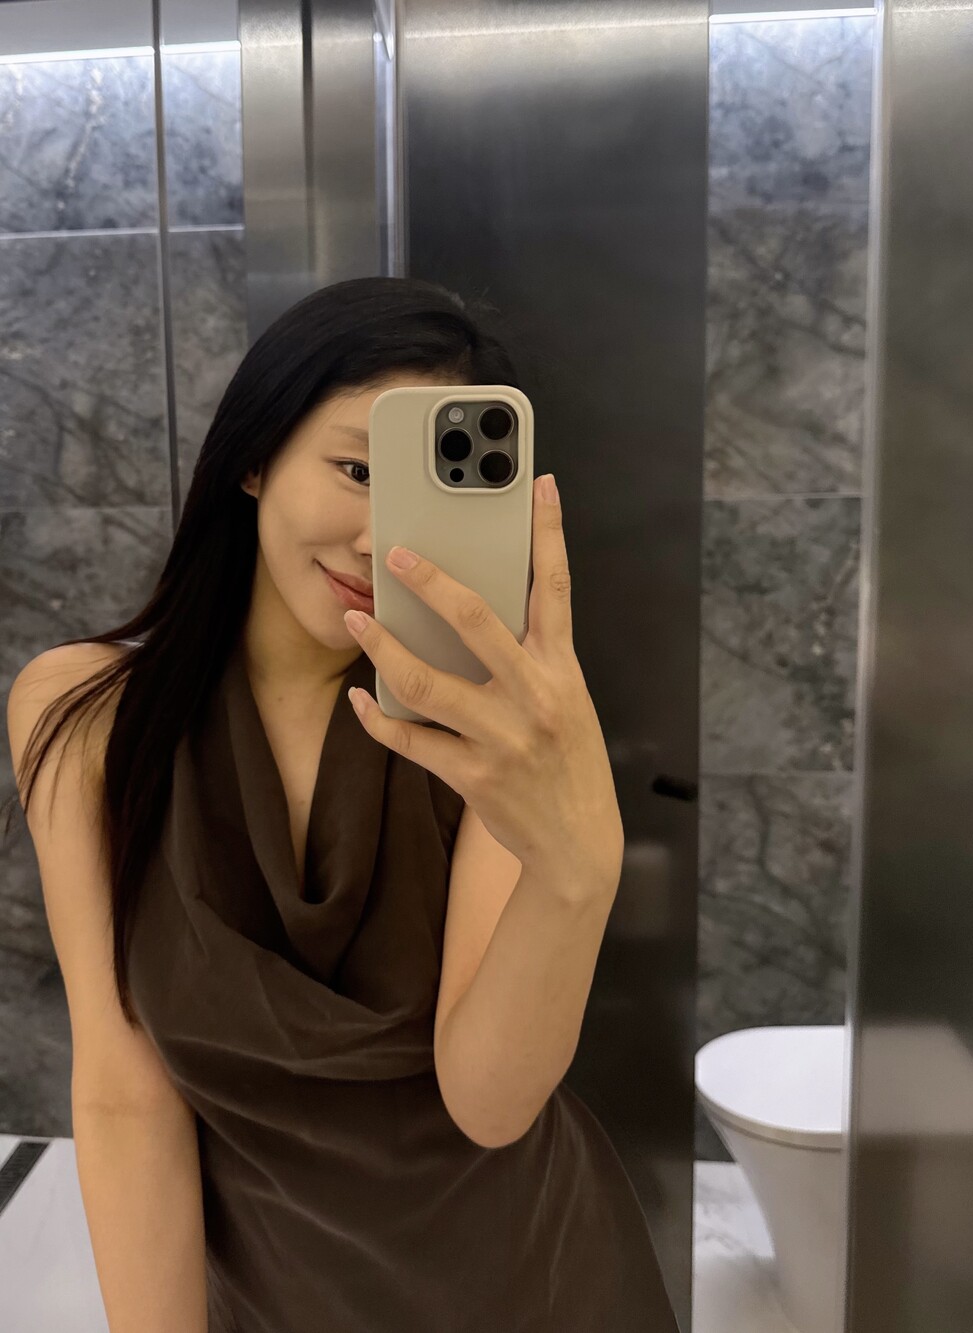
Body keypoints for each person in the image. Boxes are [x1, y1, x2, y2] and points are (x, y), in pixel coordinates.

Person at [6, 276, 679, 1332]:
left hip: (533, 1286)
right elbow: (124, 1091)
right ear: (254, 455)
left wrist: (578, 868)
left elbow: (489, 1101)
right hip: (268, 1299)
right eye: (358, 471)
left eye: (421, 499)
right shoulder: (87, 714)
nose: (380, 541)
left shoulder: (488, 725)